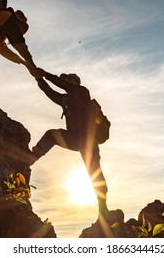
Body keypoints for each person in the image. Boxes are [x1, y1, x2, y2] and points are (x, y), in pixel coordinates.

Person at [29, 68, 109, 216]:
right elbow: (49, 92)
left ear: (76, 83)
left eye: (69, 80)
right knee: (52, 135)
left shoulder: (83, 93)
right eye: (65, 79)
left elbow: (62, 85)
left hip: (89, 142)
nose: (66, 81)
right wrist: (38, 78)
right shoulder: (65, 100)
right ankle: (33, 157)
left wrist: (46, 74)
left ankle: (102, 206)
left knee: (94, 173)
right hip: (74, 139)